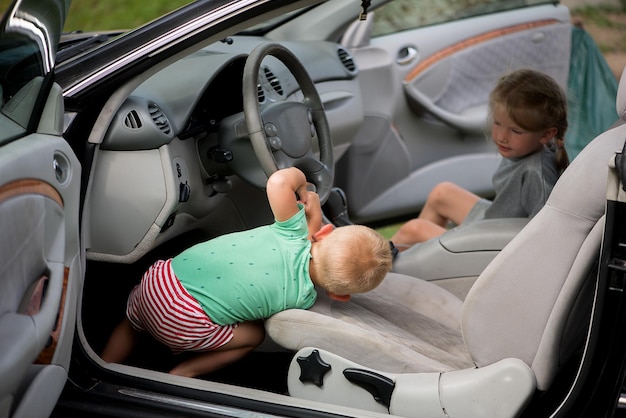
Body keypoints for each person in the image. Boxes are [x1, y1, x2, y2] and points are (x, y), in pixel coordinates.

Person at [102, 167, 393, 377]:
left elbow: (279, 181)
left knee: (131, 324)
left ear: (325, 231)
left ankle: (104, 364)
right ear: (338, 294)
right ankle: (185, 373)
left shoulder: (292, 229)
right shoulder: (302, 298)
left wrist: (305, 190)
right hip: (183, 328)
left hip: (157, 284)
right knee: (254, 335)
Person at [391, 69, 569, 250]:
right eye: (497, 123)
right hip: (494, 221)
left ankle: (371, 271)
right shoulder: (533, 149)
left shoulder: (536, 174)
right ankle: (410, 263)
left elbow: (545, 237)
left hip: (494, 246)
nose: (502, 136)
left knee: (413, 230)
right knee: (442, 193)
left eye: (515, 131)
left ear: (547, 134)